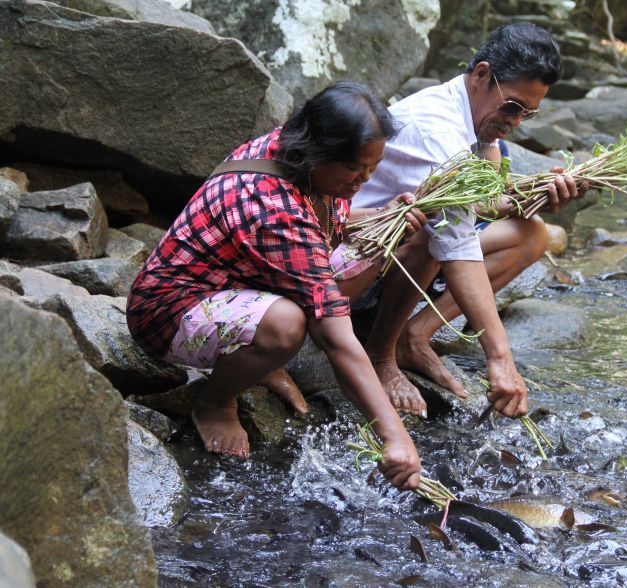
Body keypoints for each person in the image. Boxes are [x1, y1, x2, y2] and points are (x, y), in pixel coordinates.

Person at [126, 81, 426, 490]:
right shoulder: (271, 205)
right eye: (357, 170)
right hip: (169, 311)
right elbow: (335, 332)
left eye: (373, 169)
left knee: (373, 244)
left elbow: (321, 223)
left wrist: (382, 213)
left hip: (241, 280)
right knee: (286, 325)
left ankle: (258, 360)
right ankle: (214, 400)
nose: (364, 180)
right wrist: (394, 435)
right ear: (320, 152)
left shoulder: (298, 154)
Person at [333, 23, 586, 419]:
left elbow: (486, 200)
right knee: (432, 231)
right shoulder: (436, 132)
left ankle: (415, 336)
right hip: (348, 262)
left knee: (531, 234)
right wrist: (500, 356)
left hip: (397, 257)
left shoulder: (477, 117)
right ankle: (381, 355)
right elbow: (456, 241)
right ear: (482, 74)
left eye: (528, 113)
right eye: (513, 107)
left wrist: (538, 195)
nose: (516, 121)